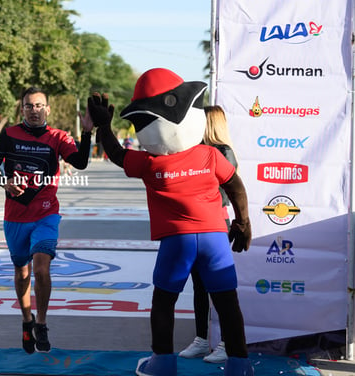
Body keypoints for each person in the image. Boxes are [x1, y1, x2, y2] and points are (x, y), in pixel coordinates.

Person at [87, 68, 253, 376]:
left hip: (177, 241)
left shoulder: (150, 163)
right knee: (228, 304)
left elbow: (114, 152)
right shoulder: (209, 155)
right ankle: (240, 365)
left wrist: (103, 125)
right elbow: (236, 186)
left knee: (164, 302)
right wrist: (243, 223)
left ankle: (162, 363)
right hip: (215, 237)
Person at [0, 87, 93, 354]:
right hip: (15, 217)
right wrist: (5, 183)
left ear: (48, 109)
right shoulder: (9, 134)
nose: (34, 110)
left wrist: (87, 132)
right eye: (29, 106)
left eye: (39, 105)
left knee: (42, 269)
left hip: (45, 213)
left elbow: (80, 163)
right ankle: (26, 320)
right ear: (22, 109)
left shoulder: (58, 137)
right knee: (22, 272)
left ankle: (41, 323)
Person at [178, 105, 237, 363]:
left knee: (219, 289)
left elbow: (223, 192)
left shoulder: (223, 153)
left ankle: (226, 343)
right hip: (195, 226)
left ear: (210, 123)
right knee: (199, 287)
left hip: (215, 227)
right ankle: (202, 340)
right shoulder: (197, 151)